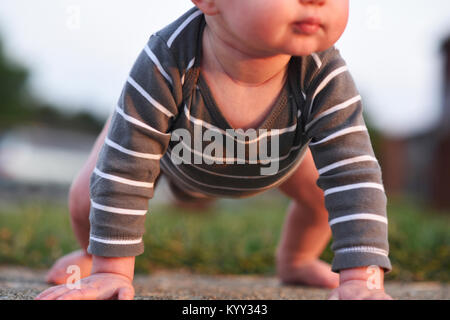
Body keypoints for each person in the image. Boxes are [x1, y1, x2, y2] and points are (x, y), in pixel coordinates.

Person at [36, 0, 392, 300]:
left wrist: (362, 279)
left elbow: (353, 173)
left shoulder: (322, 74)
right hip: (167, 151)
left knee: (320, 199)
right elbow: (125, 166)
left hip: (278, 159)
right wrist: (112, 272)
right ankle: (91, 254)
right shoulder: (167, 58)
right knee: (88, 196)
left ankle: (297, 259)